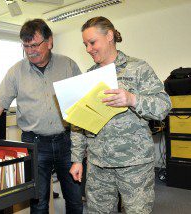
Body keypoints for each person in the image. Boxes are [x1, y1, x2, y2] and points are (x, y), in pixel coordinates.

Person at [0, 19, 83, 214]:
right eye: (26, 46)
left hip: (67, 142)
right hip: (35, 144)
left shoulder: (68, 66)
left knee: (75, 199)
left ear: (49, 41)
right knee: (38, 203)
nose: (30, 51)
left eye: (35, 45)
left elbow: (83, 103)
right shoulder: (16, 72)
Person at [69, 16, 171, 213]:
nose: (88, 49)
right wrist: (76, 159)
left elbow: (164, 106)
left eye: (92, 42)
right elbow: (78, 123)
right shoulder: (87, 77)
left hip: (134, 165)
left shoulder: (138, 68)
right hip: (98, 166)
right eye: (85, 45)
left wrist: (132, 99)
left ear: (109, 36)